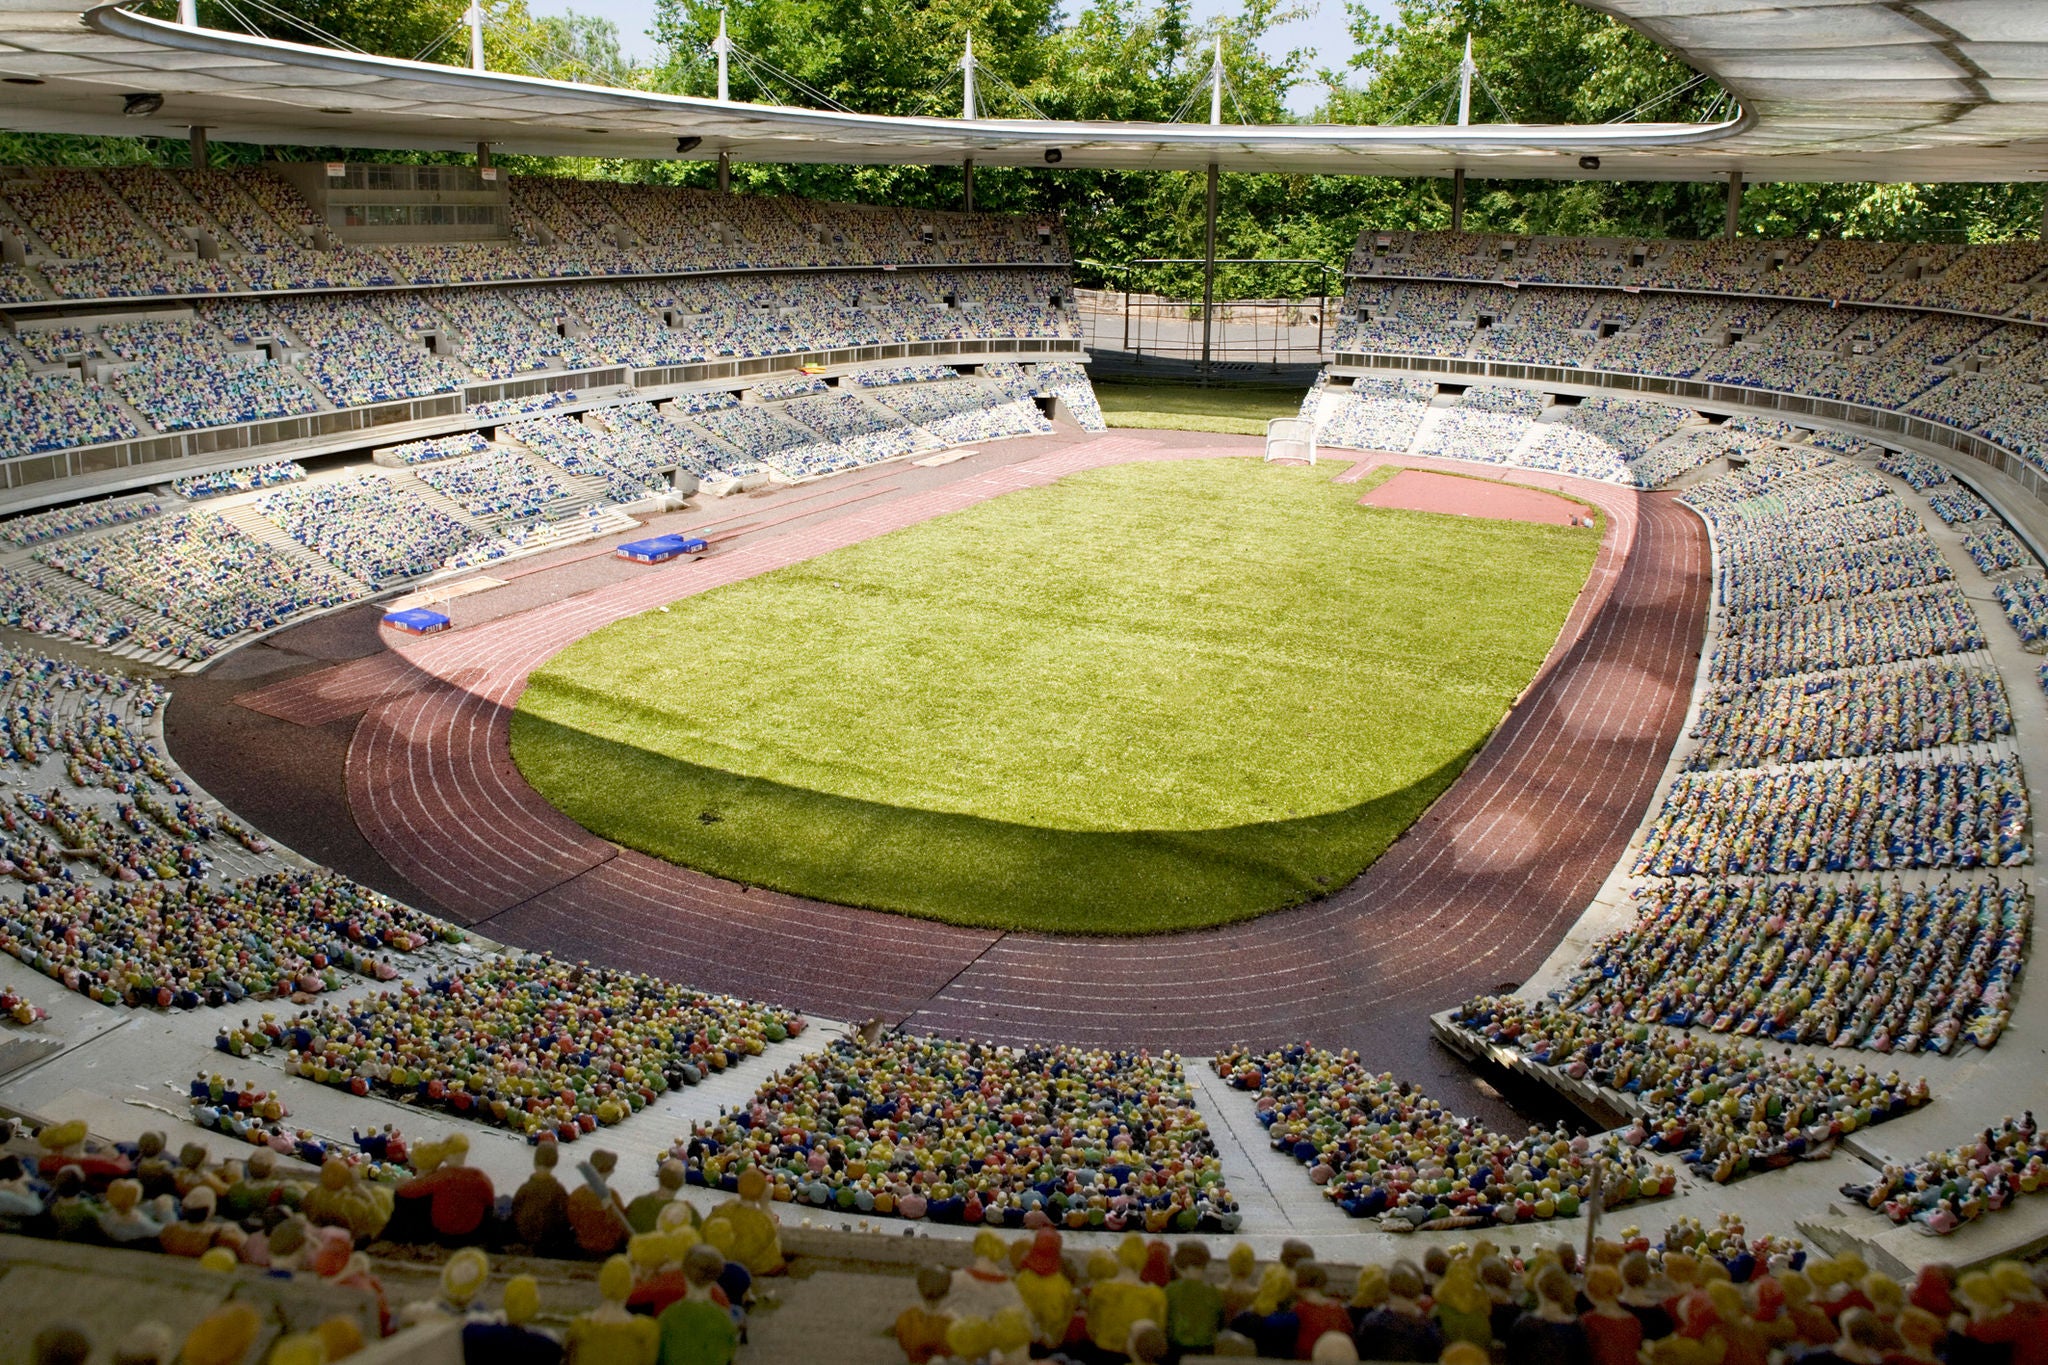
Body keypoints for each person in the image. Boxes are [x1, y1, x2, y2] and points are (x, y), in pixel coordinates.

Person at [655, 1245, 739, 1365]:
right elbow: (728, 1357)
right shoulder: (724, 1319)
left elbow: (660, 1357)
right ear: (716, 1275)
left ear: (684, 1272)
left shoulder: (667, 1315)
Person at [895, 1264, 956, 1365]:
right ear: (947, 1293)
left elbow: (903, 1344)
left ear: (919, 1290)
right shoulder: (951, 1321)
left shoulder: (906, 1317)